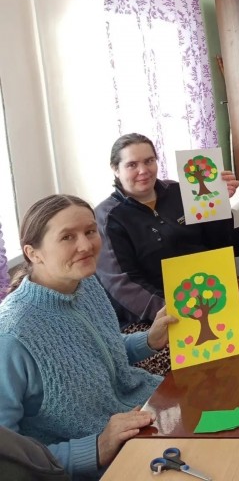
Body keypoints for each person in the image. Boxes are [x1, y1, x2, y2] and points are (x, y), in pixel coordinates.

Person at [0, 194, 176, 480]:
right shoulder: (11, 334)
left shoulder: (86, 284)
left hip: (146, 413)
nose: (85, 245)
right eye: (67, 237)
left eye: (90, 231)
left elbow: (98, 353)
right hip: (105, 462)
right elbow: (9, 456)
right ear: (33, 253)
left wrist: (149, 340)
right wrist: (96, 447)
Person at [95, 133, 239, 329]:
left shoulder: (179, 191)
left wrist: (219, 204)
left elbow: (220, 244)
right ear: (115, 169)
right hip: (159, 315)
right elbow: (123, 286)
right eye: (132, 165)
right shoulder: (107, 218)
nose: (143, 170)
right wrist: (176, 312)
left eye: (149, 161)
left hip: (209, 295)